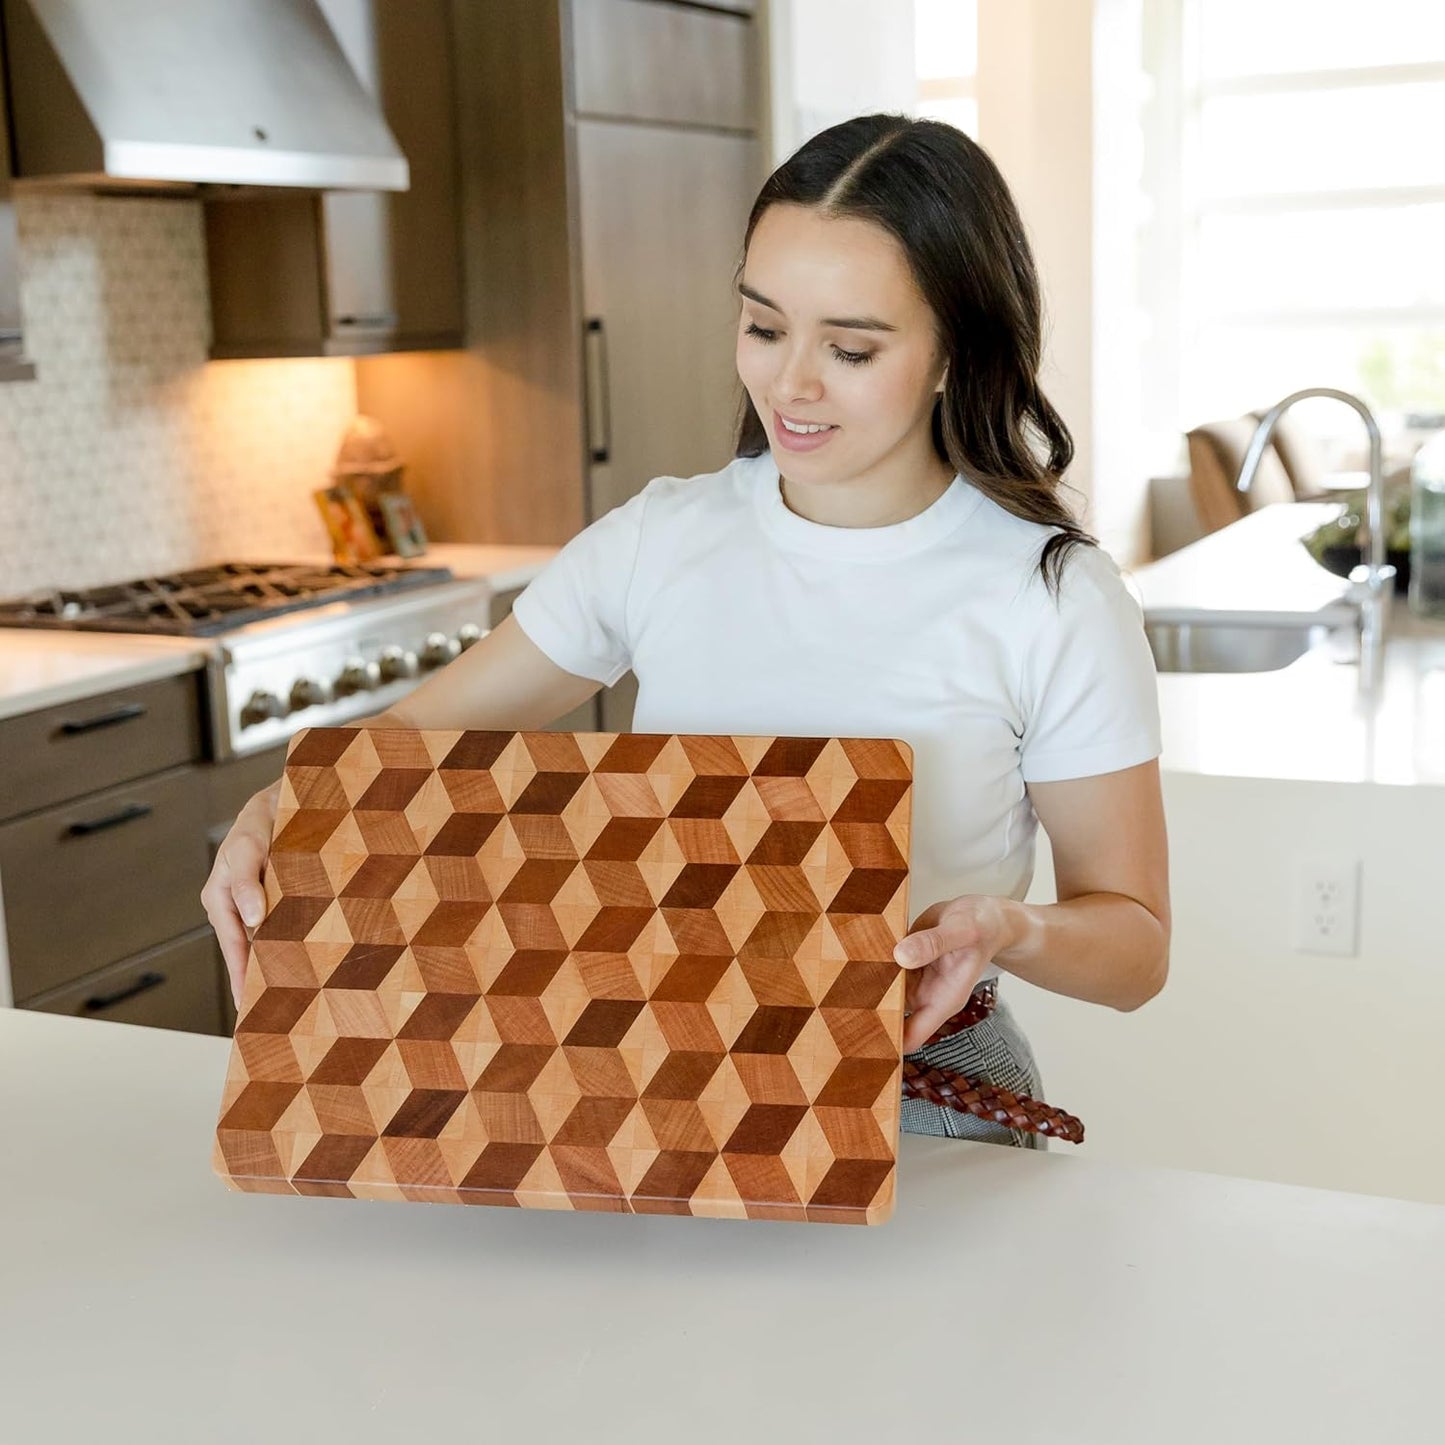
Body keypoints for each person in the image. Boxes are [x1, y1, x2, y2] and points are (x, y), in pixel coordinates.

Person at [202, 113, 1170, 1151]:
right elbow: (404, 749)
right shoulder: (659, 539)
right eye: (762, 327)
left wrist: (1004, 927)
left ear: (954, 352)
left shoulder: (1050, 598)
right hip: (647, 1082)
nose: (790, 382)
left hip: (922, 1093)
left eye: (848, 347)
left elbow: (1133, 947)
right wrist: (284, 801)